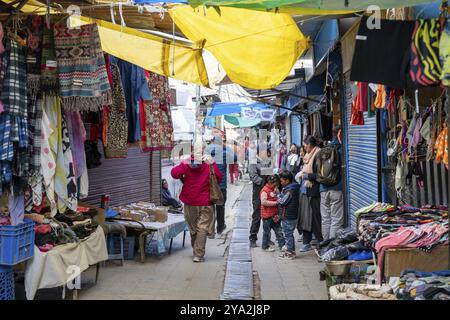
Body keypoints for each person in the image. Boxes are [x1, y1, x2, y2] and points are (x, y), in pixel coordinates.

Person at [171, 153, 223, 262]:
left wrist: (184, 163)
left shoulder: (187, 163)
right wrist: (212, 163)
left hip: (190, 201)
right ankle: (198, 254)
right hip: (205, 201)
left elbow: (174, 174)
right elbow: (219, 177)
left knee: (194, 227)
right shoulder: (209, 163)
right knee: (202, 227)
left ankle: (196, 251)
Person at [296, 136, 323, 253]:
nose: (304, 147)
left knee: (315, 217)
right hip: (304, 190)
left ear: (310, 144)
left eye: (305, 145)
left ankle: (320, 241)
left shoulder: (318, 154)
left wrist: (306, 176)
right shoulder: (307, 156)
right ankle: (307, 242)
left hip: (313, 191)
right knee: (305, 217)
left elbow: (320, 175)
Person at [318, 125, 344, 241]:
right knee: (336, 219)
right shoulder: (341, 149)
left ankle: (325, 243)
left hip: (323, 188)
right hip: (336, 188)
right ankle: (332, 244)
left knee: (325, 219)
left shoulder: (324, 150)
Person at [248, 144, 271, 248]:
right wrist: (264, 183)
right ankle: (253, 237)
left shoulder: (268, 161)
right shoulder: (253, 162)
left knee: (268, 214)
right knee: (257, 214)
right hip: (258, 191)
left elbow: (270, 174)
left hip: (268, 190)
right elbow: (253, 176)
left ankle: (267, 238)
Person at [207, 136, 229, 235]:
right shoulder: (224, 154)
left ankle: (210, 230)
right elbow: (236, 157)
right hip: (222, 185)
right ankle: (220, 228)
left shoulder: (208, 154)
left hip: (210, 185)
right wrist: (225, 147)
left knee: (210, 207)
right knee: (221, 206)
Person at [277, 170, 300, 260]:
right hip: (292, 215)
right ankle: (290, 251)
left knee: (288, 235)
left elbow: (283, 202)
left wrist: (278, 196)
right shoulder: (293, 188)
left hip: (288, 216)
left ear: (287, 180)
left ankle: (290, 253)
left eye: (282, 181)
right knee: (289, 234)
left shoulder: (290, 190)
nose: (281, 182)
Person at [260, 175, 285, 252]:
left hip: (274, 215)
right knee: (266, 232)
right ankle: (265, 246)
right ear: (271, 183)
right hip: (267, 216)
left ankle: (282, 245)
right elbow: (263, 202)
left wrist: (277, 194)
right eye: (276, 184)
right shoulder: (264, 191)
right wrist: (275, 203)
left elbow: (277, 197)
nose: (277, 185)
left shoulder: (273, 190)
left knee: (279, 231)